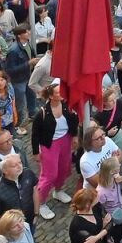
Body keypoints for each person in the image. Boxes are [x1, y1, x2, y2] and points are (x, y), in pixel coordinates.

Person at [31, 79, 79, 219]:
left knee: (64, 168)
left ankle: (58, 190)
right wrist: (36, 152)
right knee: (49, 175)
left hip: (66, 140)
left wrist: (74, 136)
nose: (62, 94)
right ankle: (41, 203)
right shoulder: (42, 114)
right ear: (51, 96)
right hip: (49, 144)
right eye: (59, 92)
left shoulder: (66, 105)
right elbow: (35, 134)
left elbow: (73, 121)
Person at [0, 153, 39, 231]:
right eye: (14, 166)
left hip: (29, 222)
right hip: (10, 231)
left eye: (20, 162)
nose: (19, 166)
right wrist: (2, 240)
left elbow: (35, 191)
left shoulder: (28, 173)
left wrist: (36, 214)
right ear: (5, 170)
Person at [79, 123, 122, 189]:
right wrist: (114, 161)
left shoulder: (107, 140)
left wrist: (110, 165)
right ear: (90, 142)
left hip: (113, 183)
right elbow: (99, 184)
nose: (103, 138)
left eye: (103, 134)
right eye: (98, 138)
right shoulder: (85, 162)